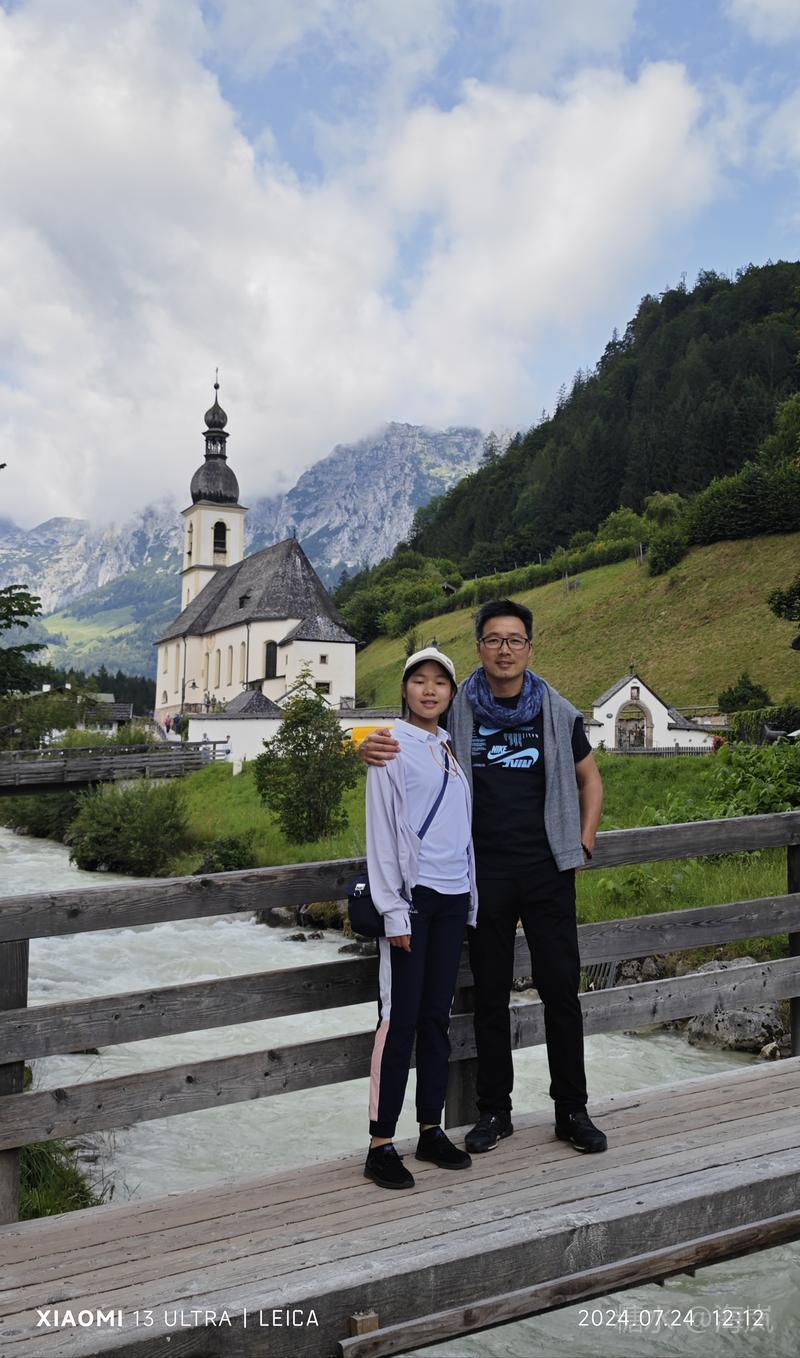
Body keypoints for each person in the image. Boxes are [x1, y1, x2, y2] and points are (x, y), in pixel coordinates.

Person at [360, 601, 607, 1155]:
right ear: (479, 648)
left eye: (515, 640)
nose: (504, 650)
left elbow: (591, 780)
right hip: (482, 874)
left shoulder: (557, 712)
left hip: (547, 870)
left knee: (561, 990)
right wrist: (363, 744)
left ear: (529, 648)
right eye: (494, 640)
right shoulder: (457, 709)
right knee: (489, 993)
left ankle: (571, 1109)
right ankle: (495, 1111)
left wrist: (584, 842)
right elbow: (406, 740)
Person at [363, 647, 478, 1190]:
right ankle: (380, 1144)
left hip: (453, 897)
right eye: (419, 681)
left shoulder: (447, 747)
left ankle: (431, 1128)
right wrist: (393, 911)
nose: (430, 690)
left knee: (436, 1018)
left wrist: (471, 897)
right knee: (399, 1020)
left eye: (440, 683)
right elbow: (382, 833)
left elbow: (460, 829)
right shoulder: (389, 746)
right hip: (413, 901)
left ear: (451, 694)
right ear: (405, 688)